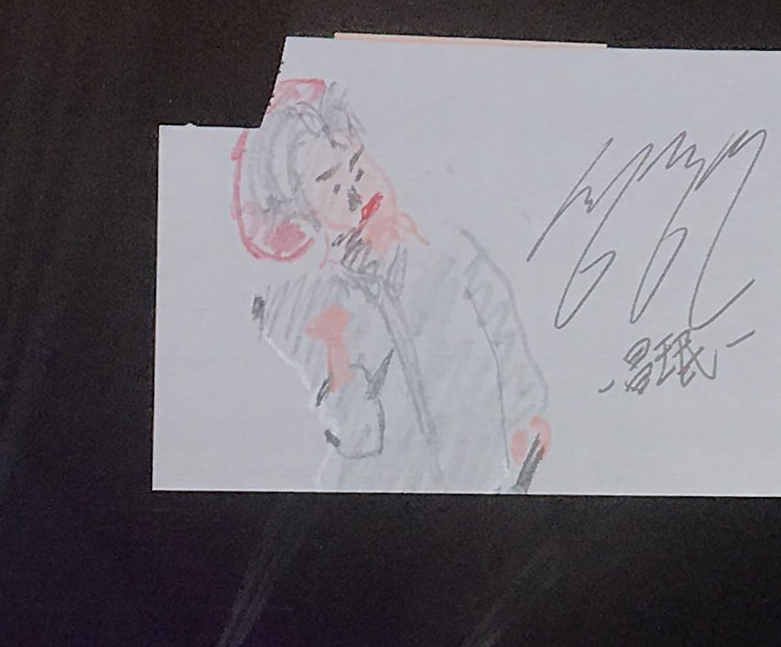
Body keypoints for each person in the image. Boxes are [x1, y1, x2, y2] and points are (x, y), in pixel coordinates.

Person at [232, 78, 553, 492]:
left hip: (489, 480)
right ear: (306, 216)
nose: (356, 192)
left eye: (358, 168)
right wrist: (335, 349)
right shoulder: (325, 308)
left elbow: (503, 333)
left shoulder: (448, 252)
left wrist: (526, 414)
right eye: (332, 186)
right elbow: (357, 436)